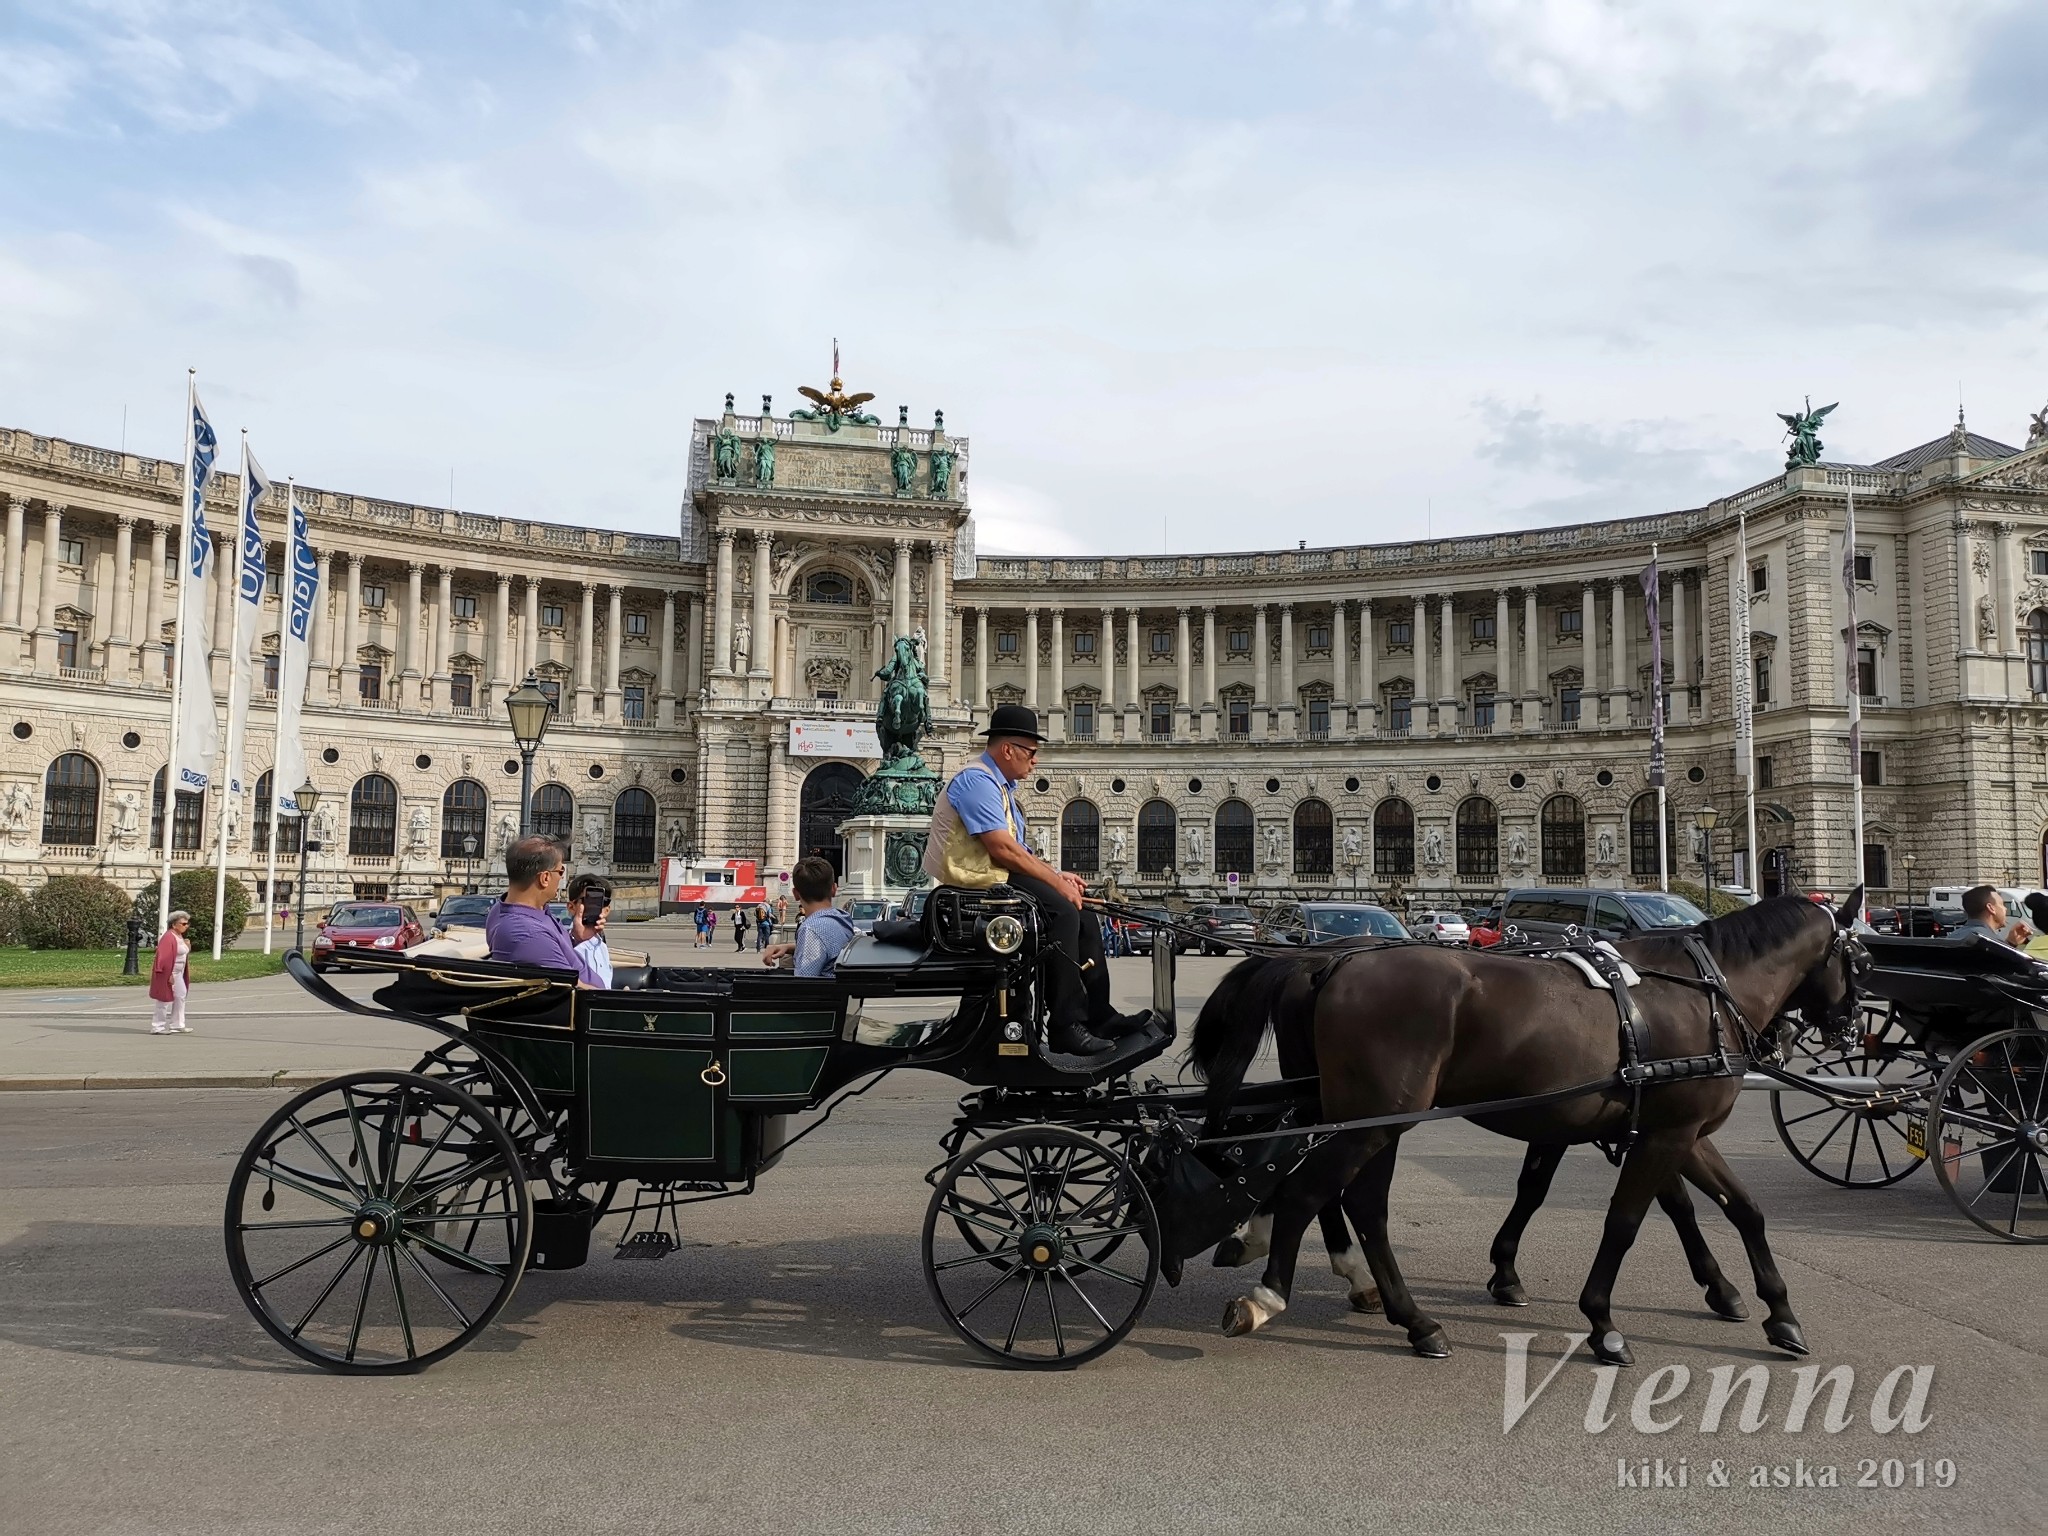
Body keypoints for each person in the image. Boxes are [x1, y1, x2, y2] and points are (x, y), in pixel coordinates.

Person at [922, 703, 1149, 1056]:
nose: (1035, 760)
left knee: (1085, 914)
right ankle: (1065, 1026)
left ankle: (1099, 1015)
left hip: (993, 880)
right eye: (1031, 751)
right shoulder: (977, 781)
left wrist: (1059, 877)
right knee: (1063, 912)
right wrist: (1057, 885)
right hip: (976, 886)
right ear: (1008, 749)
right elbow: (1002, 850)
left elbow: (1018, 851)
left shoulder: (999, 786)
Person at [484, 835, 609, 986]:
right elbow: (579, 990)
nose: (563, 878)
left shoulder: (503, 909)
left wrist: (576, 937)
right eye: (561, 871)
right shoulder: (528, 934)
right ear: (545, 878)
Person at [762, 856, 857, 976]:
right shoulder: (842, 919)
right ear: (834, 889)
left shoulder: (811, 929)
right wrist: (788, 947)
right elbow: (826, 949)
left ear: (796, 894)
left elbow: (805, 982)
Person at [565, 873, 615, 990]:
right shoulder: (563, 943)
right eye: (588, 900)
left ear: (607, 910)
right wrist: (578, 939)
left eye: (602, 901)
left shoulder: (602, 947)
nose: (594, 906)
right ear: (571, 907)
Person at [149, 909, 193, 1034]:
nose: (186, 926)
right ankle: (157, 1027)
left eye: (187, 923)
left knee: (180, 995)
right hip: (169, 973)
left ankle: (177, 1024)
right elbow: (163, 957)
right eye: (183, 924)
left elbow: (183, 952)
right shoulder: (168, 937)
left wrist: (187, 945)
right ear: (174, 925)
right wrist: (167, 974)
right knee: (164, 999)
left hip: (178, 972)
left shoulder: (179, 937)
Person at [1955, 884, 2034, 948]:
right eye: (2002, 904)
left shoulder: (1954, 936)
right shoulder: (1990, 942)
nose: (2005, 909)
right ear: (1991, 908)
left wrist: (2010, 942)